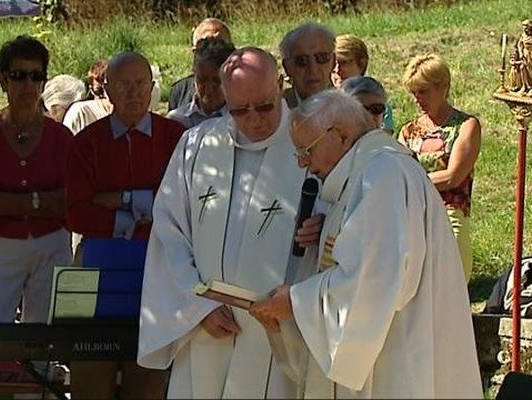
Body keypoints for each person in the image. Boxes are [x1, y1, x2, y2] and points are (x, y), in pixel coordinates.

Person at [250, 89, 483, 398]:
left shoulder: (383, 175)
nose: (303, 163)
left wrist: (295, 302)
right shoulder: (364, 174)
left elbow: (376, 279)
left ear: (342, 136)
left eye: (307, 150)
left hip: (396, 359)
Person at [138, 47, 321, 398]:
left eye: (265, 106)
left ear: (280, 86)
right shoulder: (197, 146)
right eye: (239, 110)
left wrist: (324, 226)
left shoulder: (312, 143)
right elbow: (169, 234)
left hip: (280, 326)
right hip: (207, 325)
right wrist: (196, 307)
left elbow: (339, 222)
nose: (254, 118)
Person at [65, 51, 185, 399]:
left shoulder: (176, 137)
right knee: (90, 375)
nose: (133, 93)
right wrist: (148, 208)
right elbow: (77, 214)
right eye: (124, 85)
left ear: (152, 89)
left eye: (140, 84)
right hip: (96, 268)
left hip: (158, 267)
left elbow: (178, 207)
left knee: (146, 377)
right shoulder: (86, 143)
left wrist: (123, 200)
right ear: (106, 90)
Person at [0, 35, 72, 324]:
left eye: (36, 76)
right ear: (3, 79)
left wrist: (9, 202)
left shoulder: (61, 137)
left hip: (52, 246)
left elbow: (67, 201)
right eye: (18, 75)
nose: (28, 84)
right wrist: (40, 201)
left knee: (43, 342)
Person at [399, 53, 481, 282]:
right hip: (413, 218)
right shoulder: (408, 131)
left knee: (449, 288)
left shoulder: (466, 126)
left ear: (443, 86)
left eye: (423, 91)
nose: (417, 99)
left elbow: (453, 177)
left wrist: (412, 180)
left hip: (449, 216)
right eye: (413, 93)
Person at [167, 37, 235, 128]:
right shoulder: (177, 121)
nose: (209, 89)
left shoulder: (240, 121)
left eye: (217, 81)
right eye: (202, 80)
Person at [332, 34, 394, 132]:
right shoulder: (318, 104)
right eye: (332, 63)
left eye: (343, 63)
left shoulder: (377, 103)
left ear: (362, 63)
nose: (336, 70)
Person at [168, 17, 233, 111]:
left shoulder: (247, 95)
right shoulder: (180, 91)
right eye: (204, 46)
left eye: (220, 45)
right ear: (194, 51)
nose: (209, 89)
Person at [279, 22, 335, 108]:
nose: (313, 69)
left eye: (321, 57)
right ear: (287, 67)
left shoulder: (352, 109)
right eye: (302, 60)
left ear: (333, 61)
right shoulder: (276, 112)